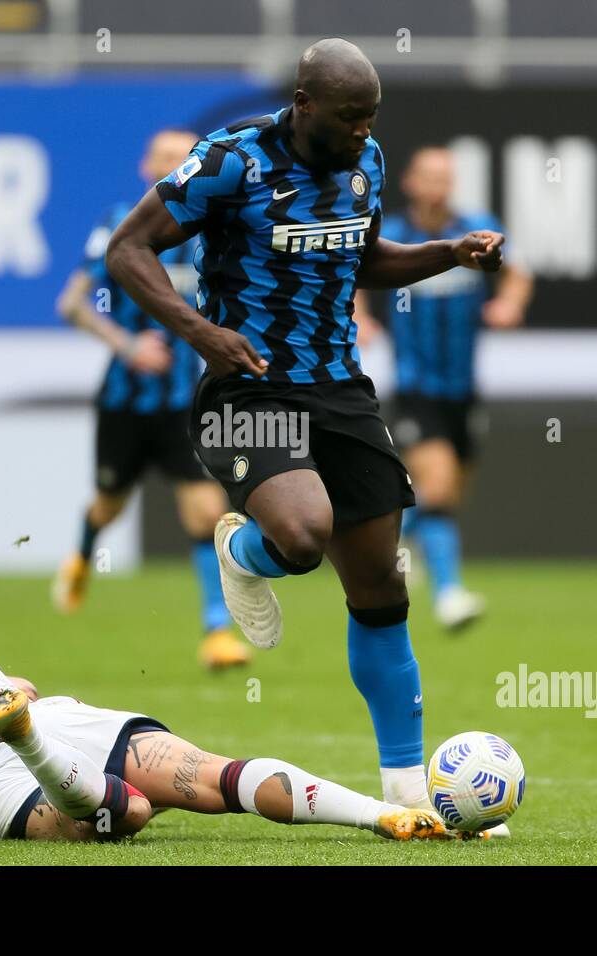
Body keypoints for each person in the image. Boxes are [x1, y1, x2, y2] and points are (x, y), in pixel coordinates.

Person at [103, 38, 504, 808]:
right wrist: (201, 334)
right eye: (350, 117)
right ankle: (245, 551)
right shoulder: (233, 159)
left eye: (372, 118)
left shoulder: (367, 162)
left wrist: (449, 252)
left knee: (381, 584)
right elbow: (129, 250)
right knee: (304, 535)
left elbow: (365, 258)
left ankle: (409, 791)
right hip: (245, 390)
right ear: (305, 103)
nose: (363, 131)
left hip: (341, 392)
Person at [0, 592, 490, 842]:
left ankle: (387, 816)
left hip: (59, 727)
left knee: (216, 778)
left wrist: (19, 715)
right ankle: (32, 742)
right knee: (131, 810)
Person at [51, 128, 249, 670]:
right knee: (109, 504)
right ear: (146, 168)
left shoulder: (215, 231)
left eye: (183, 161)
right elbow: (73, 303)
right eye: (164, 160)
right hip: (124, 402)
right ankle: (83, 553)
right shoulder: (119, 223)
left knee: (207, 512)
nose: (172, 169)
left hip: (185, 403)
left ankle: (216, 633)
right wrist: (127, 344)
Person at [355, 145, 533, 630]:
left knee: (446, 495)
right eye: (429, 176)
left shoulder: (476, 227)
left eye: (446, 177)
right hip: (416, 388)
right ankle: (449, 594)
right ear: (410, 182)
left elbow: (517, 274)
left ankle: (387, 545)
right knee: (436, 487)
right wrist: (360, 319)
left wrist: (510, 305)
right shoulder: (391, 233)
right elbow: (354, 279)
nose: (438, 185)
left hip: (464, 388)